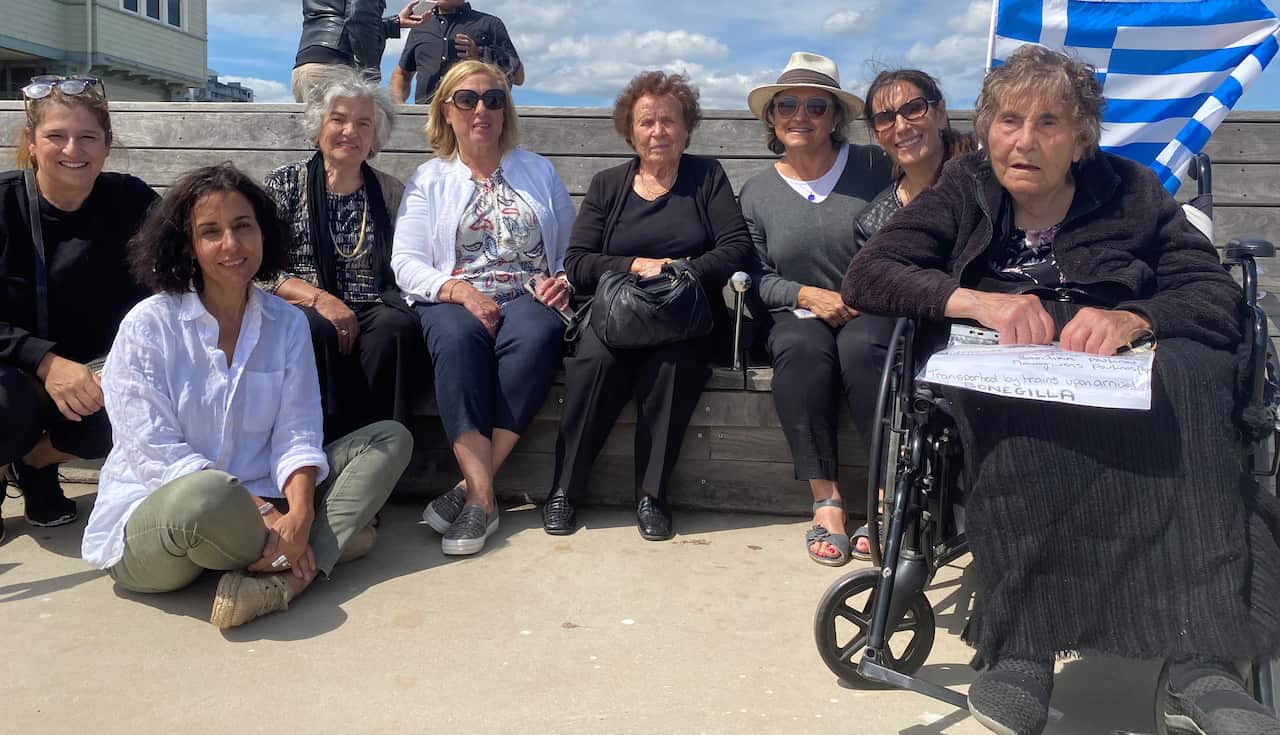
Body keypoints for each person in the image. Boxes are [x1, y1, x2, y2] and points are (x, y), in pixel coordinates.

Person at [843, 45, 1280, 735]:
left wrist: (1137, 316)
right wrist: (977, 303)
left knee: (1197, 384)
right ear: (986, 129)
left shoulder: (1132, 191)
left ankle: (1202, 663)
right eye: (1010, 119)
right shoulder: (964, 188)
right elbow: (871, 275)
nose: (1025, 139)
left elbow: (1212, 294)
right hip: (1013, 372)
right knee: (1020, 408)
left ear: (1081, 139)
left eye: (1050, 122)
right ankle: (1023, 645)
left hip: (1126, 364)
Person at [81, 164, 413, 629]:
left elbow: (298, 430)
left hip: (264, 501)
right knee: (206, 494)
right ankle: (321, 548)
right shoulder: (148, 325)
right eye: (210, 232)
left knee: (389, 439)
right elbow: (153, 450)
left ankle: (284, 577)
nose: (231, 245)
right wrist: (268, 515)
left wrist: (298, 510)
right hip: (166, 522)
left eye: (242, 226)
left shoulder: (287, 323)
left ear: (264, 233)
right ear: (188, 246)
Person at [541, 71, 753, 541]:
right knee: (593, 364)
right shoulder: (608, 184)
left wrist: (681, 271)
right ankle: (564, 490)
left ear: (686, 127)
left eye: (669, 122)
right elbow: (577, 263)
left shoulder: (706, 176)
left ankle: (651, 495)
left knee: (673, 366)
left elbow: (736, 247)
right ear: (630, 130)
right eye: (647, 122)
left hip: (683, 312)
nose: (658, 132)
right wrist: (635, 264)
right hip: (617, 311)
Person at [392, 60, 573, 556]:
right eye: (466, 100)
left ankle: (472, 493)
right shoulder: (430, 179)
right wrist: (458, 291)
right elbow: (405, 263)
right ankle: (484, 499)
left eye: (494, 99)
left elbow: (572, 250)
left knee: (536, 336)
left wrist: (562, 281)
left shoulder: (538, 170)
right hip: (453, 294)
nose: (481, 110)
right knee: (455, 338)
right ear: (446, 111)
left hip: (529, 295)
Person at [738, 52, 892, 566]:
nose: (799, 115)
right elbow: (754, 276)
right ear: (772, 117)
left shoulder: (873, 168)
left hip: (869, 308)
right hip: (796, 313)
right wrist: (805, 295)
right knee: (801, 352)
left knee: (866, 352)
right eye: (787, 105)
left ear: (834, 118)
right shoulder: (757, 192)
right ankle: (826, 501)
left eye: (815, 106)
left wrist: (861, 295)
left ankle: (882, 498)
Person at [0, 75, 157, 543]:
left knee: (147, 402)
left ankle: (37, 463)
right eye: (56, 136)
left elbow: (182, 265)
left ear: (107, 144)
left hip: (100, 371)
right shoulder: (3, 203)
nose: (74, 149)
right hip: (13, 369)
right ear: (31, 142)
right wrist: (45, 362)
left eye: (88, 136)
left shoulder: (131, 200)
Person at [264, 67, 426, 439]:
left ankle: (382, 450)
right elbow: (261, 269)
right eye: (338, 119)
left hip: (374, 303)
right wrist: (321, 299)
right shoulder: (285, 183)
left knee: (396, 329)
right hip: (301, 302)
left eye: (363, 124)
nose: (350, 132)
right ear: (319, 125)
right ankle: (312, 450)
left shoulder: (390, 192)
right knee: (313, 328)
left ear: (375, 138)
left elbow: (408, 261)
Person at [390, 1, 523, 104]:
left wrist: (480, 55)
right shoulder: (420, 26)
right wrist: (400, 109)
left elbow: (518, 77)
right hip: (427, 118)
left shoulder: (490, 24)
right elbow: (402, 75)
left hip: (472, 116)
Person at [292, 0, 426, 101]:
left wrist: (394, 23)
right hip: (336, 69)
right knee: (356, 133)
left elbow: (343, 18)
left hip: (307, 66)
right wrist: (369, 74)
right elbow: (359, 17)